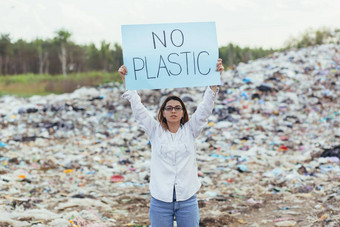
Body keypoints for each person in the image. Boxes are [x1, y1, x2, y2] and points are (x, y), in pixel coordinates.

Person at [118, 59, 224, 227]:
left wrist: (213, 81)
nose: (173, 110)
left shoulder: (190, 130)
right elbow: (138, 109)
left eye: (177, 108)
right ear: (163, 113)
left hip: (187, 199)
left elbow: (205, 109)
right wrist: (127, 81)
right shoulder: (154, 131)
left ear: (183, 113)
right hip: (160, 200)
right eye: (169, 108)